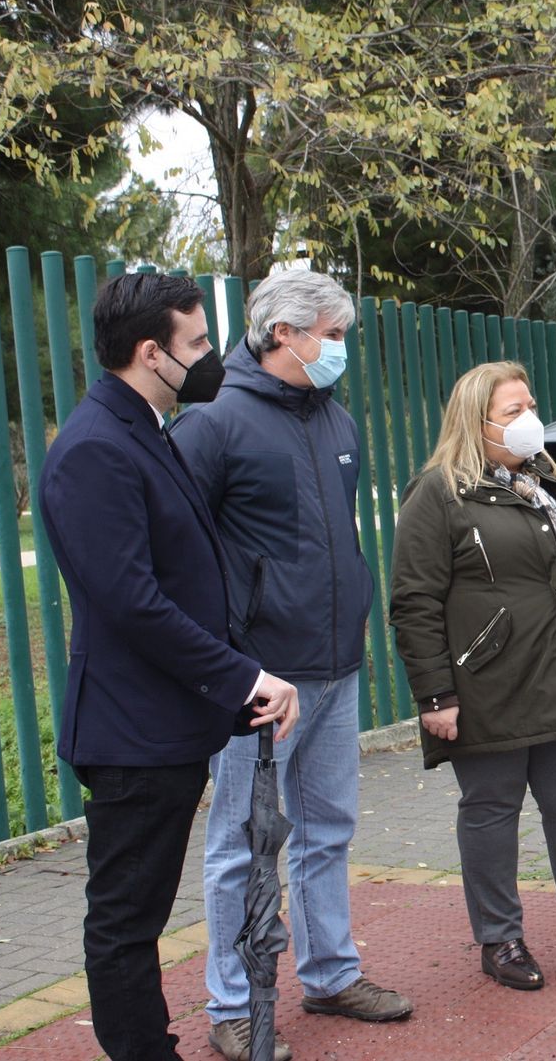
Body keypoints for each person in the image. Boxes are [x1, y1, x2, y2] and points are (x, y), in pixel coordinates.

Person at [37, 273, 300, 1061]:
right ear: (150, 353)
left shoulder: (144, 427)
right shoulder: (94, 447)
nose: (209, 358)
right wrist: (243, 676)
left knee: (138, 912)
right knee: (126, 919)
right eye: (193, 343)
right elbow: (133, 603)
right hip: (132, 732)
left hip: (161, 724)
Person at [171, 270, 411, 1060]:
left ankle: (332, 973)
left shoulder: (334, 417)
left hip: (336, 665)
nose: (340, 348)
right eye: (331, 335)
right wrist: (229, 660)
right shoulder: (214, 424)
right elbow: (177, 554)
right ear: (284, 333)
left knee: (326, 832)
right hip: (261, 679)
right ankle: (232, 1004)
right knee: (241, 842)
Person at [388, 361, 556, 991]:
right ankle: (500, 939)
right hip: (487, 686)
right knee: (490, 811)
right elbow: (414, 601)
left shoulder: (548, 485)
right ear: (475, 424)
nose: (529, 418)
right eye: (513, 412)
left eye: (529, 405)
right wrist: (435, 695)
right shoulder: (440, 493)